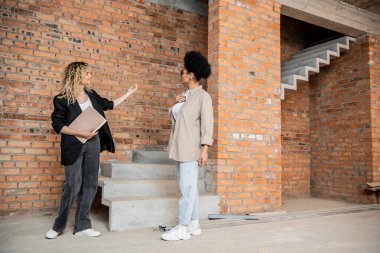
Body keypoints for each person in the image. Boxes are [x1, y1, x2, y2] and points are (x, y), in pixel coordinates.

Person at [45, 62, 138, 239]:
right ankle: (58, 226)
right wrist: (80, 132)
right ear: (77, 75)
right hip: (73, 143)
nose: (90, 76)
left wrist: (129, 92)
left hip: (93, 143)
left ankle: (82, 226)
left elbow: (110, 105)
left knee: (90, 183)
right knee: (71, 185)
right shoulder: (61, 99)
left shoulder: (92, 95)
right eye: (87, 73)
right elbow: (58, 125)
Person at [161, 51, 213, 241]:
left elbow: (208, 126)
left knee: (187, 189)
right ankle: (193, 224)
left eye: (183, 70)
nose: (180, 72)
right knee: (189, 188)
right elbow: (177, 117)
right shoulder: (185, 95)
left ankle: (182, 227)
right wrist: (176, 103)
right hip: (179, 147)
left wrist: (204, 150)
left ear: (191, 74)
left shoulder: (203, 97)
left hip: (191, 149)